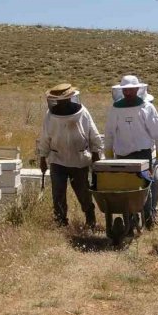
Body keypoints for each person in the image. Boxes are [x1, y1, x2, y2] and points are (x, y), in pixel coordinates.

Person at [104, 75, 158, 229]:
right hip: (122, 156)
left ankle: (148, 220)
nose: (128, 92)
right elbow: (109, 133)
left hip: (143, 155)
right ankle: (131, 220)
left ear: (138, 89)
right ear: (122, 91)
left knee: (146, 188)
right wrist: (109, 156)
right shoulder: (115, 109)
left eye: (131, 89)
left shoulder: (147, 107)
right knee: (126, 189)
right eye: (126, 90)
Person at [37, 83, 103, 227]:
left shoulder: (82, 112)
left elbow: (93, 134)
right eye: (58, 100)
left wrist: (96, 154)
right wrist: (43, 158)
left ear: (70, 98)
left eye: (64, 99)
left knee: (83, 192)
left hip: (79, 160)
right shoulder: (50, 114)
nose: (61, 102)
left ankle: (90, 220)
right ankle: (60, 222)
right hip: (57, 159)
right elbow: (45, 137)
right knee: (58, 193)